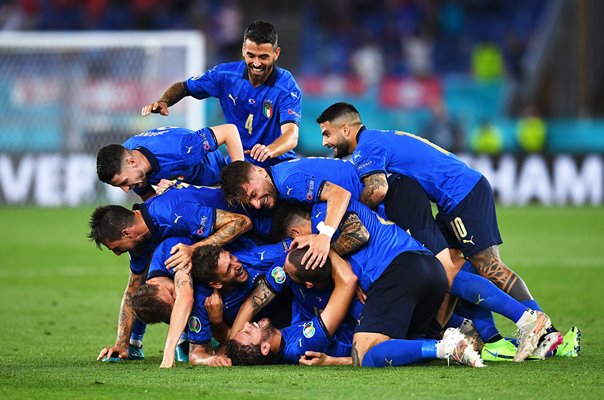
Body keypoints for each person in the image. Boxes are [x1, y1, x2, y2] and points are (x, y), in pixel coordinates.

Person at [316, 102, 564, 357]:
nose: (325, 142)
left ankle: (540, 327)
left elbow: (378, 189)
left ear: (346, 129)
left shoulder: (366, 148)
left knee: (489, 268)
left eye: (327, 134)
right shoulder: (379, 138)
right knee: (453, 267)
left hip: (460, 192)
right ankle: (496, 338)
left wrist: (356, 213)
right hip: (453, 196)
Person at [273, 199, 554, 362]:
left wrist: (327, 247)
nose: (293, 246)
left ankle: (451, 345)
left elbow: (354, 256)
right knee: (450, 281)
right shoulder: (338, 225)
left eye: (292, 241)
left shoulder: (327, 219)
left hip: (402, 267)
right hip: (423, 270)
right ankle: (512, 328)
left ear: (298, 231)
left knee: (365, 354)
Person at [227, 248, 481, 368]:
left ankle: (457, 333)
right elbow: (348, 282)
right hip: (387, 323)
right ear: (263, 348)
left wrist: (220, 348)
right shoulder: (301, 345)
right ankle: (446, 345)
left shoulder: (286, 332)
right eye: (248, 332)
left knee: (455, 265)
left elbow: (252, 304)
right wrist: (324, 244)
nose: (249, 325)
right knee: (369, 357)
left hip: (397, 311)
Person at [90, 184, 251, 362]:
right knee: (149, 298)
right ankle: (152, 342)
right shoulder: (141, 246)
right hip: (231, 256)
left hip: (253, 219)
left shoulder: (170, 211)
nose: (118, 253)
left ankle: (187, 337)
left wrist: (194, 249)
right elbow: (132, 290)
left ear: (126, 233)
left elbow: (241, 222)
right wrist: (121, 343)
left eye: (116, 248)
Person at [141, 20, 301, 167]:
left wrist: (269, 150)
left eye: (263, 57)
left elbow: (291, 135)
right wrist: (164, 101)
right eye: (251, 55)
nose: (257, 63)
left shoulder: (286, 86)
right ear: (243, 50)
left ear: (276, 53)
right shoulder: (224, 75)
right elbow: (184, 87)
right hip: (237, 163)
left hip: (278, 164)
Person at [220, 158, 361, 270]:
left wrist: (325, 236)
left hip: (367, 196)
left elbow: (339, 194)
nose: (256, 205)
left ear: (261, 172)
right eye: (249, 202)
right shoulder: (279, 177)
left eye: (254, 194)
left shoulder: (287, 182)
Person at [96, 124, 244, 200]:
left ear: (132, 162)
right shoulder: (129, 156)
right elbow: (149, 198)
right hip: (194, 191)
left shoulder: (183, 149)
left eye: (124, 182)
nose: (126, 189)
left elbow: (229, 131)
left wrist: (238, 181)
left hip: (218, 181)